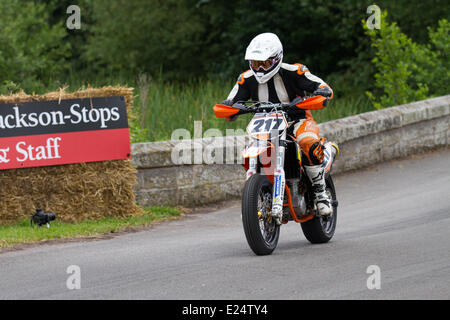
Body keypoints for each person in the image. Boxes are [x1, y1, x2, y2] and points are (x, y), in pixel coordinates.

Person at [221, 32, 334, 215]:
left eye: (264, 63)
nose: (259, 68)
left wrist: (322, 91)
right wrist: (229, 108)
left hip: (298, 120)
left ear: (276, 59)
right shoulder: (246, 78)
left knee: (307, 143)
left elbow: (320, 85)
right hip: (265, 125)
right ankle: (258, 191)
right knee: (249, 151)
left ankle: (321, 194)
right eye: (255, 63)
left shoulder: (294, 71)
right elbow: (231, 101)